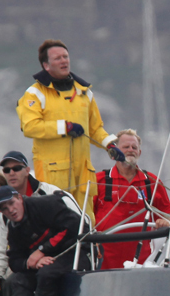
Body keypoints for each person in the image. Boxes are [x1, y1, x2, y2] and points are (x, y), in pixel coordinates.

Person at [16, 39, 124, 222]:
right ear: (46, 65)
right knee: (55, 220)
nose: (64, 61)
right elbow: (30, 126)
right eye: (57, 58)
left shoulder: (84, 92)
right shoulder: (35, 94)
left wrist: (110, 145)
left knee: (86, 221)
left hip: (83, 173)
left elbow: (95, 128)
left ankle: (87, 250)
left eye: (65, 57)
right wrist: (64, 127)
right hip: (53, 174)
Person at [93, 129, 170, 269]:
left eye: (134, 147)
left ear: (139, 153)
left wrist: (165, 221)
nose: (131, 150)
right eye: (126, 147)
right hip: (103, 259)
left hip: (140, 260)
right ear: (115, 151)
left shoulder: (152, 182)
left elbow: (168, 213)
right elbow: (85, 215)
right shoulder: (98, 180)